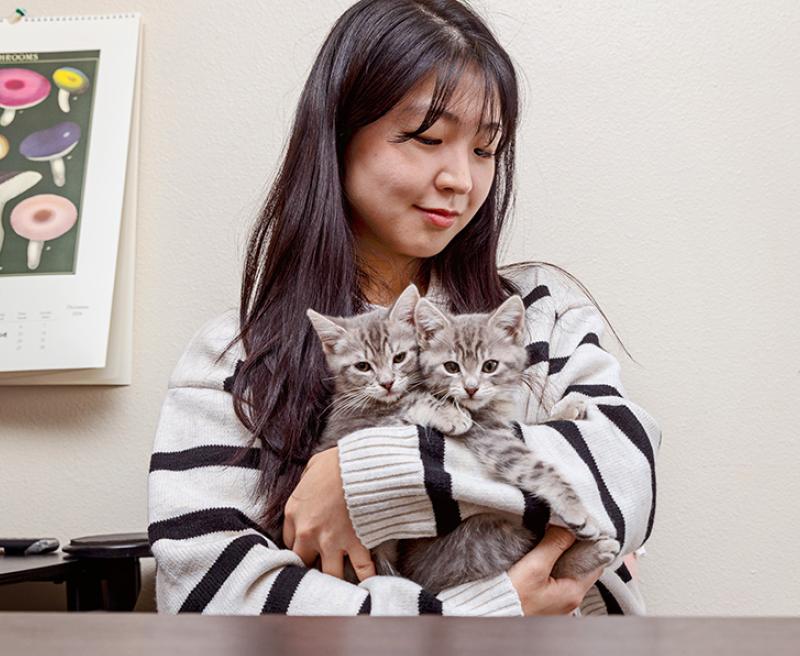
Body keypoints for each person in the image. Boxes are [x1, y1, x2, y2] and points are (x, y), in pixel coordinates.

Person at [147, 0, 661, 616]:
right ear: (337, 136)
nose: (460, 180)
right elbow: (209, 595)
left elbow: (628, 480)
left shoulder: (535, 310)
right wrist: (478, 614)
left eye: (484, 149)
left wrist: (365, 474)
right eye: (428, 138)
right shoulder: (237, 354)